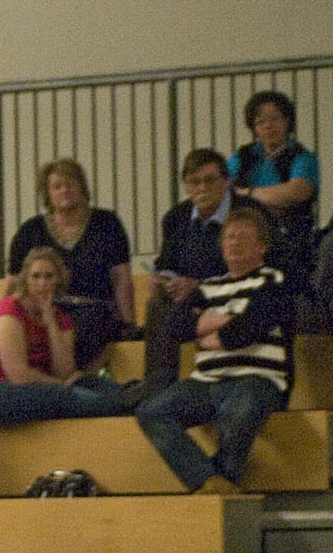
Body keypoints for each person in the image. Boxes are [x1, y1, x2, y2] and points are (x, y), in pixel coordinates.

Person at [135, 206, 294, 494]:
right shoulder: (208, 287)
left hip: (256, 379)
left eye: (243, 238)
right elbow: (176, 327)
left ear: (262, 246)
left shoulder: (273, 281)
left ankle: (219, 485)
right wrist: (228, 321)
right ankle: (210, 480)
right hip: (206, 382)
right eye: (229, 237)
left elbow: (247, 329)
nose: (233, 243)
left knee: (238, 413)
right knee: (152, 411)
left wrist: (206, 332)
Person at [137, 148, 264, 395]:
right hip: (193, 299)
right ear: (186, 186)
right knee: (157, 303)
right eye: (194, 182)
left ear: (226, 182)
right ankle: (157, 384)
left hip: (240, 295)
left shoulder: (250, 213)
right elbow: (167, 263)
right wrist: (163, 280)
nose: (202, 188)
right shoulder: (175, 218)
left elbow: (259, 265)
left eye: (209, 180)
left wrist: (199, 285)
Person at [0, 247, 126, 426]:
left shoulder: (61, 317)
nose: (42, 283)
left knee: (92, 383)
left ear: (58, 280)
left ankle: (130, 397)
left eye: (49, 276)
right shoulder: (9, 313)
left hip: (39, 385)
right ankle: (118, 406)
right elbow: (19, 375)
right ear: (26, 280)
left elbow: (64, 372)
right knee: (61, 395)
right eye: (36, 276)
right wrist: (61, 384)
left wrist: (51, 324)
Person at [5, 158, 135, 370]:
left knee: (78, 328)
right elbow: (13, 285)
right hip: (45, 311)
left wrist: (129, 326)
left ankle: (72, 379)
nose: (64, 190)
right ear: (47, 193)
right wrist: (4, 320)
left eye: (71, 184)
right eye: (57, 186)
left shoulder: (107, 223)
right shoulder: (30, 230)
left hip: (95, 312)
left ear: (82, 188)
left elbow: (122, 279)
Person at [229, 90, 318, 282]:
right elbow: (225, 189)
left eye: (275, 119)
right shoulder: (243, 156)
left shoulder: (302, 156)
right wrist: (273, 197)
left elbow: (297, 191)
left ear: (287, 121)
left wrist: (247, 193)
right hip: (245, 232)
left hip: (289, 236)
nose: (268, 126)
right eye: (261, 121)